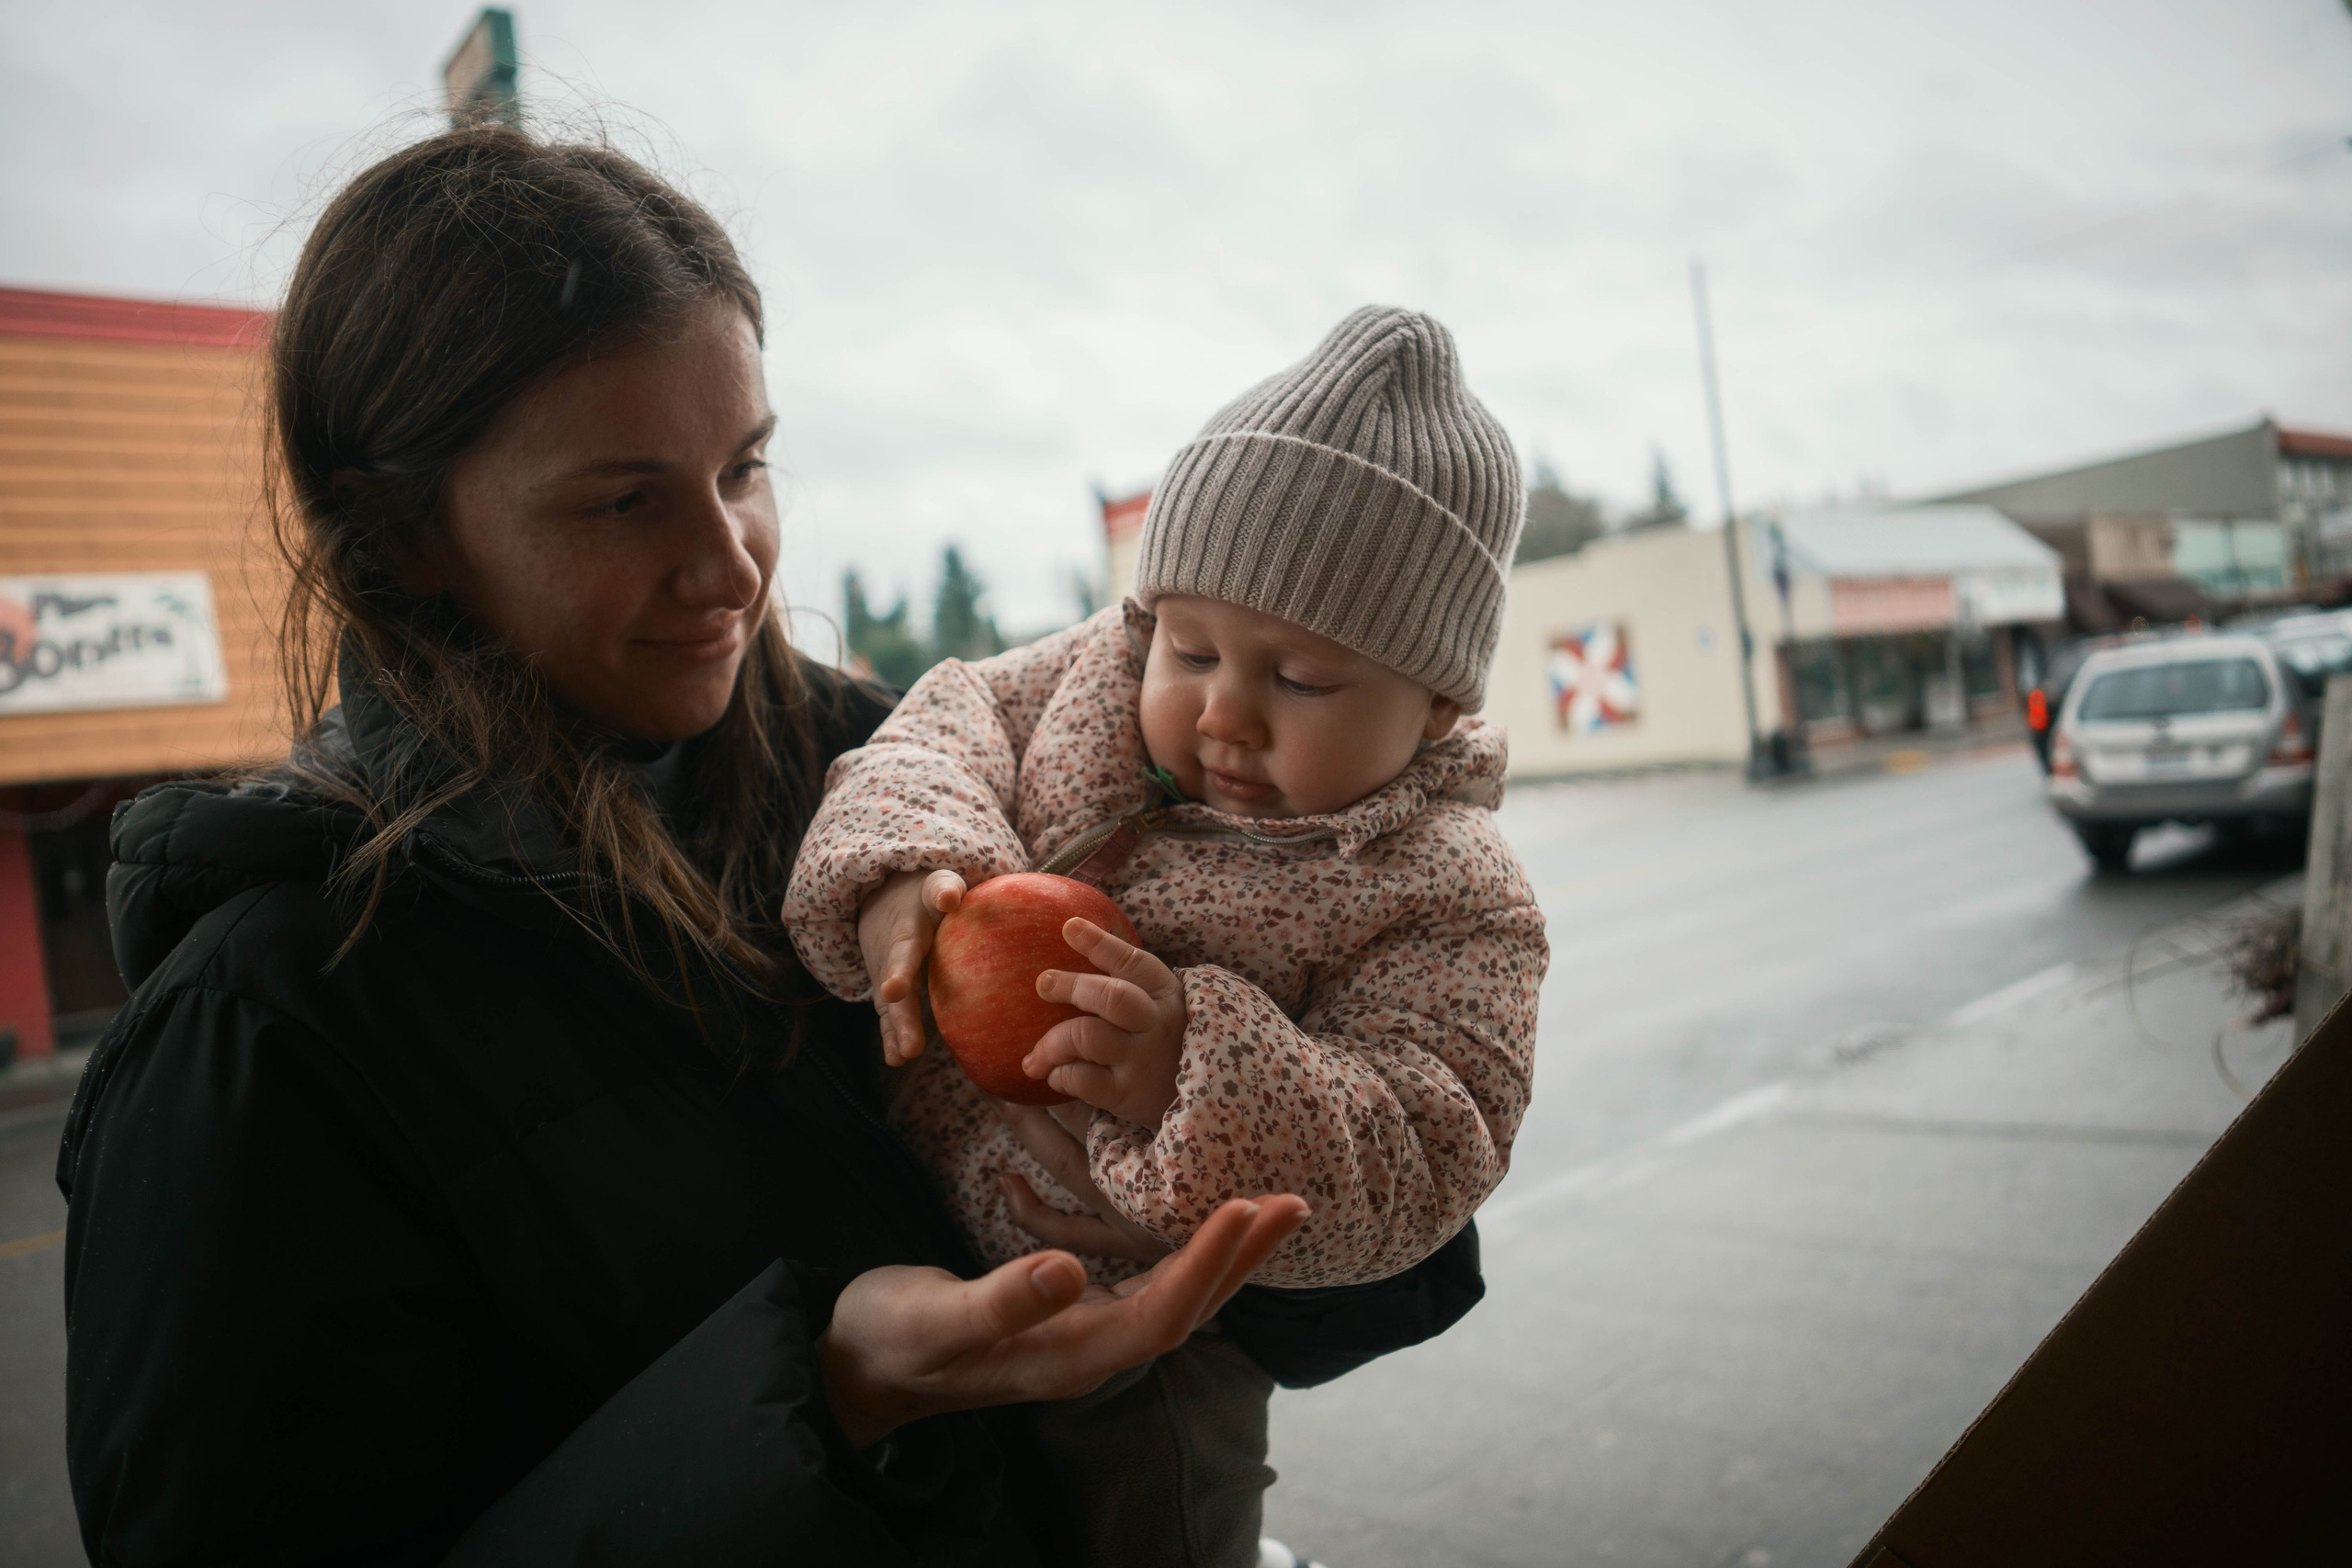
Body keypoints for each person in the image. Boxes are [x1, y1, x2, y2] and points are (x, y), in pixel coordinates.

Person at [54, 122, 1311, 1566]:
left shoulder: (921, 785)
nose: (730, 566)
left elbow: (1366, 1265)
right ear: (404, 537)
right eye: (624, 500)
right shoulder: (262, 1032)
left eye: (745, 467)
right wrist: (825, 1396)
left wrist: (1271, 1111)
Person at [782, 306, 1549, 1567]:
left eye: (1301, 681)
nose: (1224, 715)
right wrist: (905, 865)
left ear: (1437, 704)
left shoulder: (1446, 889)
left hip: (1144, 1333)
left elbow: (1434, 1131)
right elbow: (939, 724)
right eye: (1192, 648)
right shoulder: (1089, 676)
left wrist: (1193, 1070)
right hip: (895, 1231)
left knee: (1157, 1522)